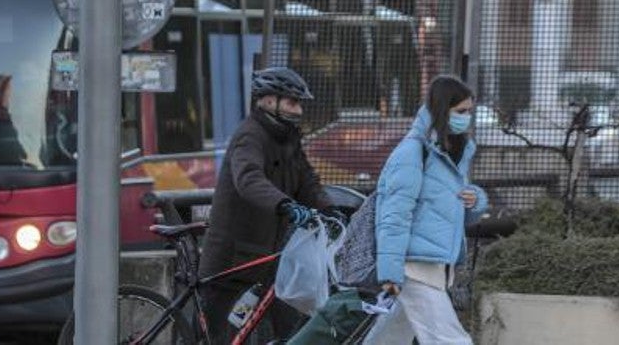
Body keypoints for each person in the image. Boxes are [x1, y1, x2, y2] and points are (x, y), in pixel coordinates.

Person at [199, 66, 335, 344]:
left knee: (288, 327)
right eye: (292, 102)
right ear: (269, 101)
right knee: (214, 336)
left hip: (267, 254)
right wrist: (284, 204)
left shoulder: (288, 139)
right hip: (233, 256)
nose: (298, 111)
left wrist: (331, 209)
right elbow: (248, 178)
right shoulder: (250, 135)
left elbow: (306, 180)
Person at [365, 75, 489, 345]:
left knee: (389, 339)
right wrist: (390, 271)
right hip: (414, 267)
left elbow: (450, 213)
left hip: (433, 265)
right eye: (460, 112)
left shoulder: (451, 153)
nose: (466, 117)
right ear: (442, 110)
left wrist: (475, 200)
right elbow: (394, 215)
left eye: (469, 111)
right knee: (451, 340)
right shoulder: (413, 152)